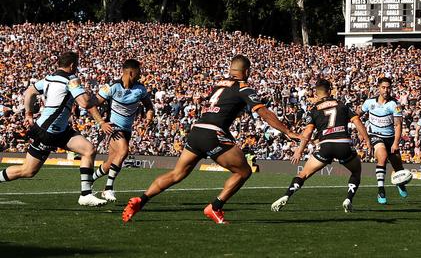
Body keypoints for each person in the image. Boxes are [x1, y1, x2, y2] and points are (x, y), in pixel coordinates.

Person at [122, 55, 300, 224]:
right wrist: (287, 131)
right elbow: (263, 112)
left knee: (177, 174)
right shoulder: (244, 88)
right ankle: (215, 207)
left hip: (197, 130)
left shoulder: (218, 85)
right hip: (213, 133)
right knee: (243, 171)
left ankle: (141, 200)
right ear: (246, 71)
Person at [0, 51, 113, 206]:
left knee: (89, 150)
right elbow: (85, 103)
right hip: (48, 132)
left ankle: (85, 194)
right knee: (28, 170)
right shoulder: (71, 79)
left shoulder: (49, 78)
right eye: (77, 65)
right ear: (73, 65)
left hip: (59, 130)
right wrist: (101, 95)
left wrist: (29, 114)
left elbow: (30, 92)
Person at [271, 79, 372, 212]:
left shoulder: (313, 110)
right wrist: (368, 142)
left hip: (325, 146)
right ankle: (348, 199)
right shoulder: (342, 105)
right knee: (356, 171)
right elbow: (357, 121)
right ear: (329, 91)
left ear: (316, 94)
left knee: (303, 174)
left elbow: (307, 133)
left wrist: (299, 151)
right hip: (343, 144)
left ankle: (286, 195)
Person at [92, 59, 155, 202]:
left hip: (127, 130)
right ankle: (108, 189)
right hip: (112, 127)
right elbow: (92, 105)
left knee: (110, 163)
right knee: (124, 151)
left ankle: (89, 180)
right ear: (131, 72)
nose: (141, 75)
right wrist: (101, 122)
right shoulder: (112, 87)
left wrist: (148, 119)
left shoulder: (140, 89)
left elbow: (149, 107)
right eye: (139, 72)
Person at [360, 77, 408, 204]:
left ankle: (400, 182)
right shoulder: (369, 102)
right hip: (375, 135)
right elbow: (356, 115)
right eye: (383, 87)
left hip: (390, 138)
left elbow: (398, 125)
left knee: (398, 165)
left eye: (388, 87)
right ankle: (381, 190)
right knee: (382, 156)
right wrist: (362, 132)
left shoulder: (395, 105)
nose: (386, 90)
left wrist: (396, 143)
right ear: (378, 88)